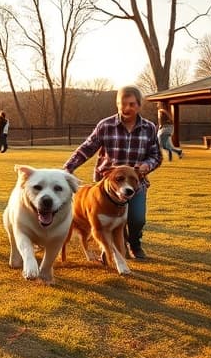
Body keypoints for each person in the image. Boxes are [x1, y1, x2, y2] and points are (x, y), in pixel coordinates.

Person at [63, 85, 162, 260]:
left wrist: (147, 165)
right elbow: (86, 148)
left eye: (131, 104)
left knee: (137, 218)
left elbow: (156, 155)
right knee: (108, 220)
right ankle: (112, 249)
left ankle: (135, 243)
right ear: (117, 104)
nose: (127, 108)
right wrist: (68, 168)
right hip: (106, 186)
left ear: (139, 105)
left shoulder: (149, 128)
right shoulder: (106, 125)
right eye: (122, 104)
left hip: (135, 184)